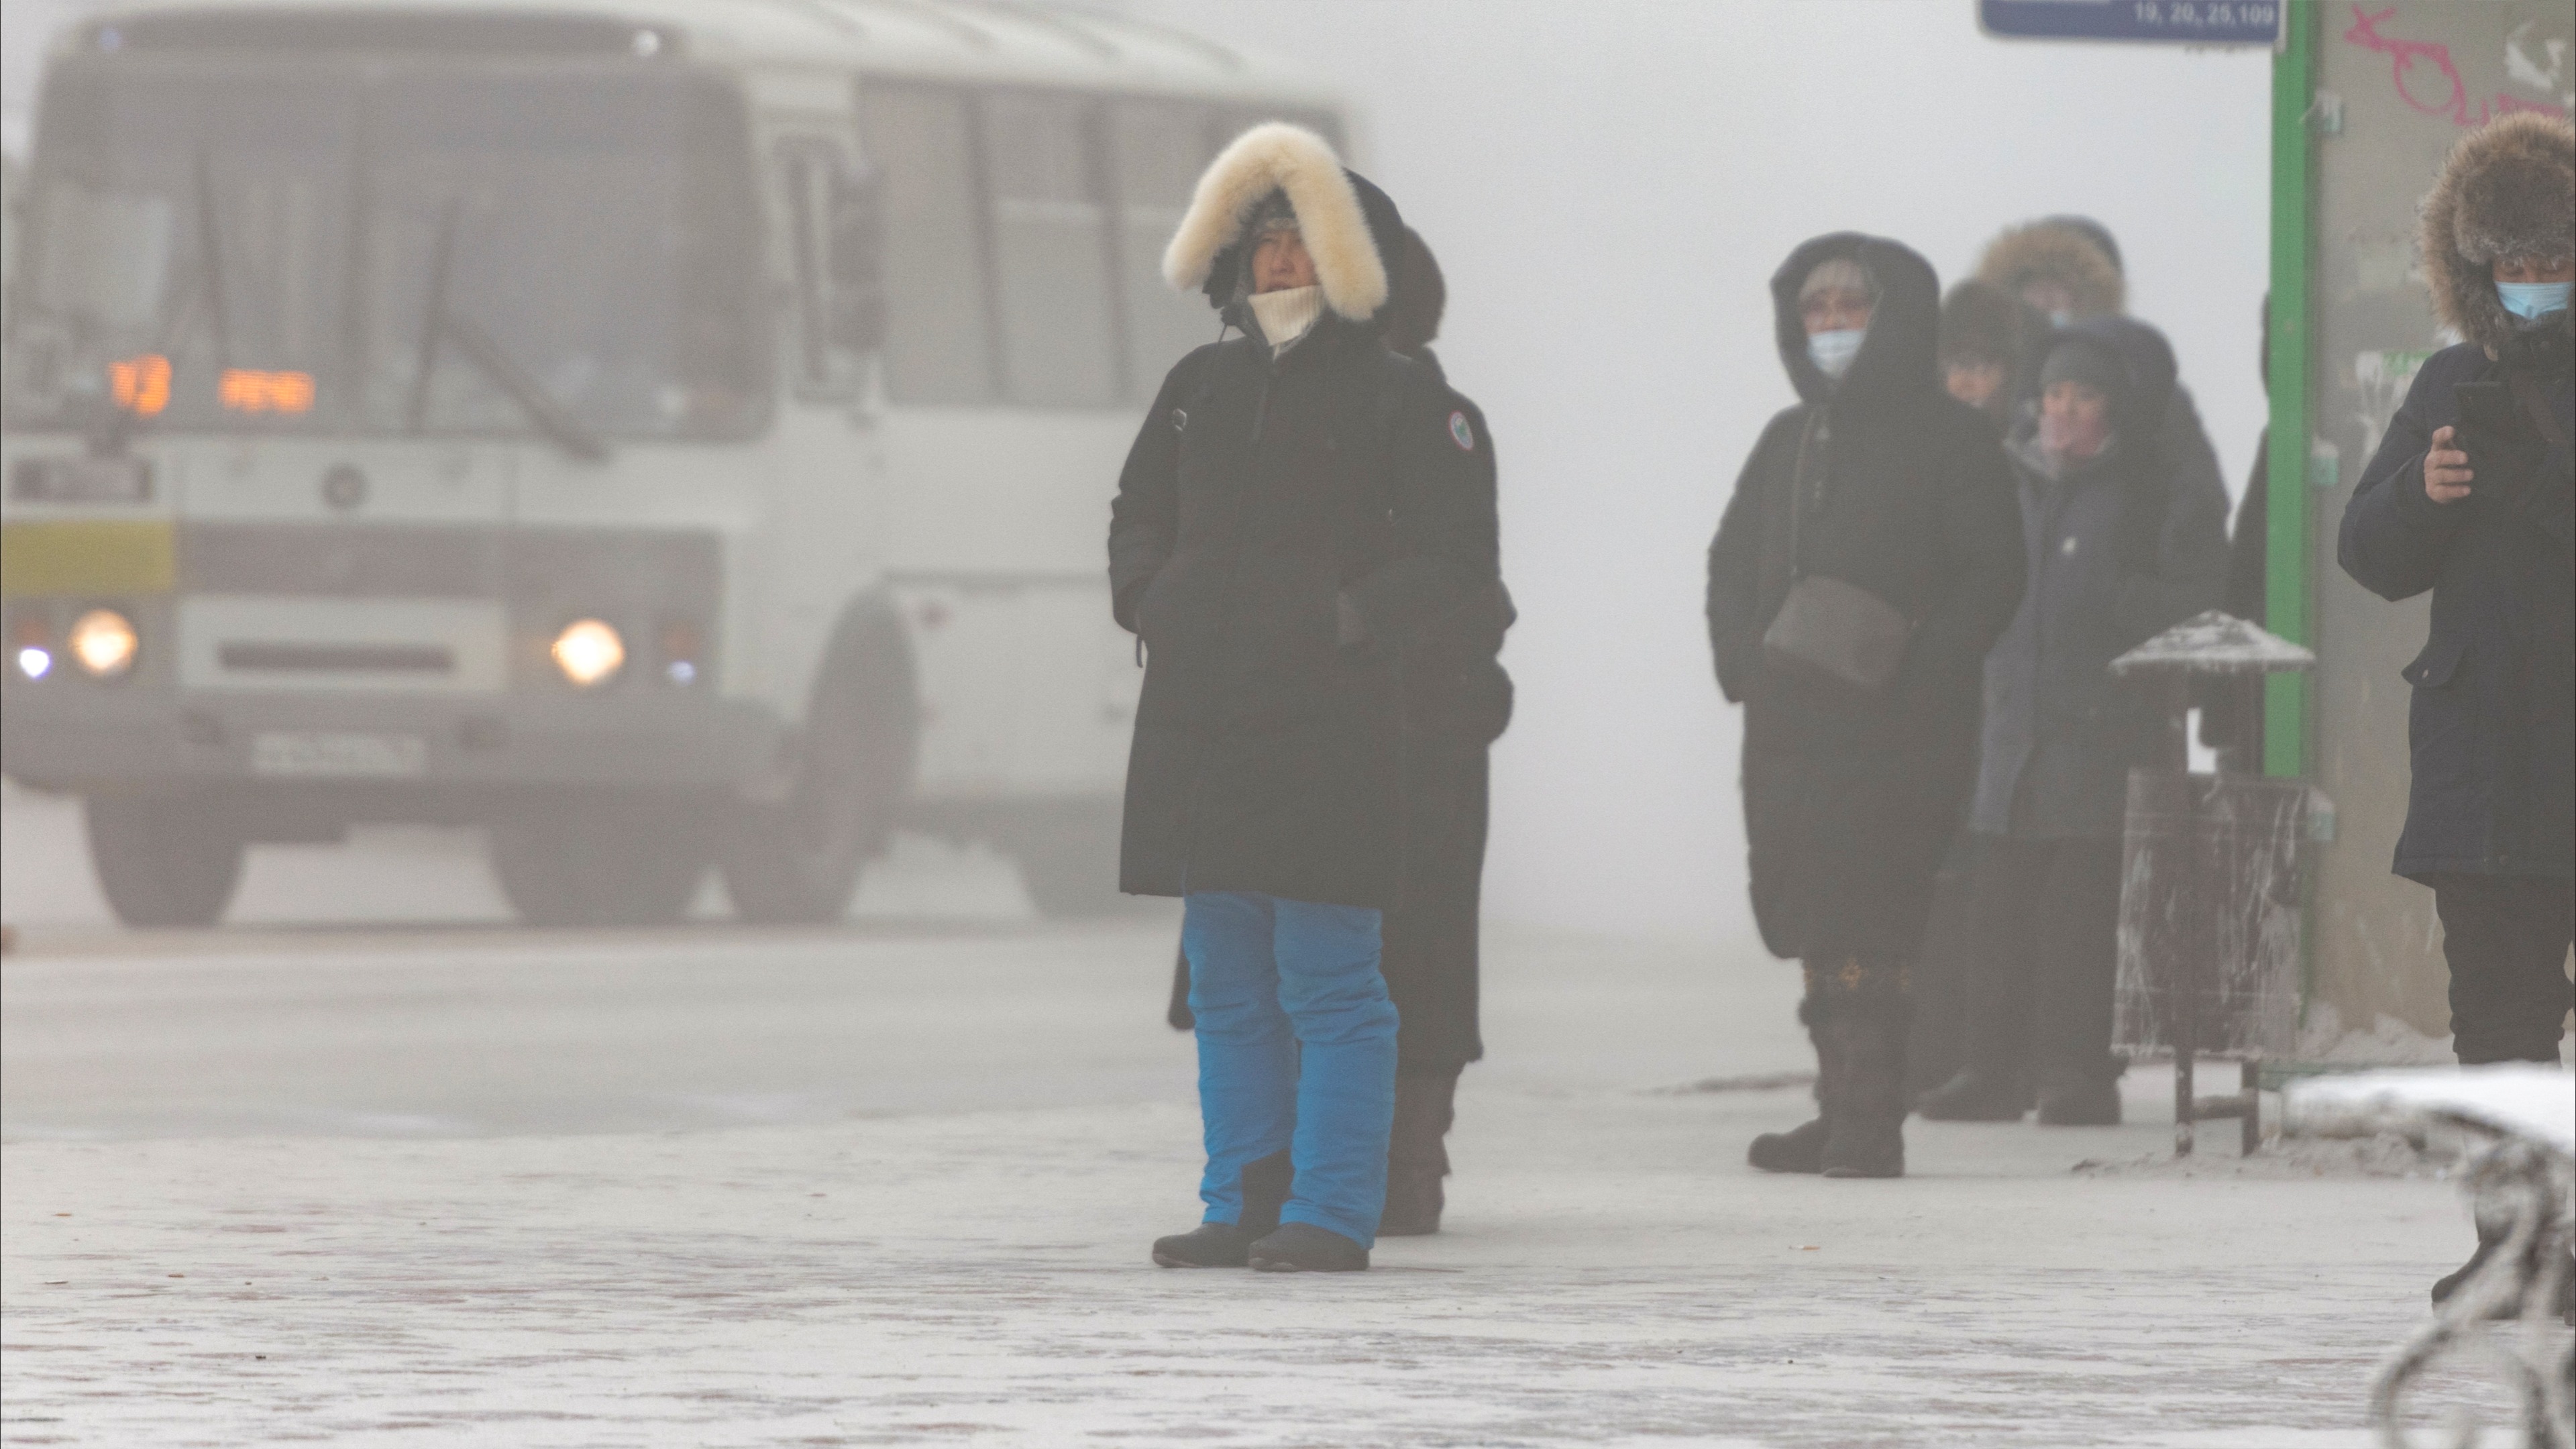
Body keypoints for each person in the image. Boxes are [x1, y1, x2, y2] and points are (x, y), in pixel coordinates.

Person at [1114, 124, 1499, 1273]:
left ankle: (1332, 1209)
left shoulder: (1404, 401)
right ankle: (1241, 1201)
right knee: (1229, 986)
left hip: (1332, 733)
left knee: (1332, 981)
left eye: (1302, 243)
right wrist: (1150, 599)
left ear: (1348, 258)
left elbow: (1456, 564)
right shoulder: (1198, 386)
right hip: (1201, 725)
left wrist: (1346, 621)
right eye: (1265, 244)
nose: (1281, 264)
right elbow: (1139, 510)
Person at [1707, 235, 2025, 1179]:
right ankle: (1838, 1102)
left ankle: (1868, 1117)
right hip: (1789, 725)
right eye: (1818, 310)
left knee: (1874, 916)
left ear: (1896, 317)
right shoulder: (1787, 439)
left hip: (1900, 730)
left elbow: (1993, 573)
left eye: (1853, 307)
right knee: (1812, 910)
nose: (1835, 325)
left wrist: (1925, 669)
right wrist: (1742, 663)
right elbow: (1730, 563)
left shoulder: (1953, 439)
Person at [2335, 112, 2573, 1312]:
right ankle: (2515, 1252)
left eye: (2552, 261)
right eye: (2511, 265)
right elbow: (2367, 552)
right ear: (2474, 265)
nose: (2533, 286)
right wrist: (2426, 494)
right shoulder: (2448, 384)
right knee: (2498, 1028)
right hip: (2486, 762)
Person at [1917, 318, 2228, 1127]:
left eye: (2084, 395)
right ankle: (1991, 1071)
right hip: (2010, 737)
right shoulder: (2009, 479)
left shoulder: (2145, 488)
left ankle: (2077, 1075)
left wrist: (2119, 603)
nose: (2065, 411)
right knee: (1998, 914)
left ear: (2114, 408)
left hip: (2103, 737)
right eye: (2054, 393)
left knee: (2080, 924)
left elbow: (2195, 596)